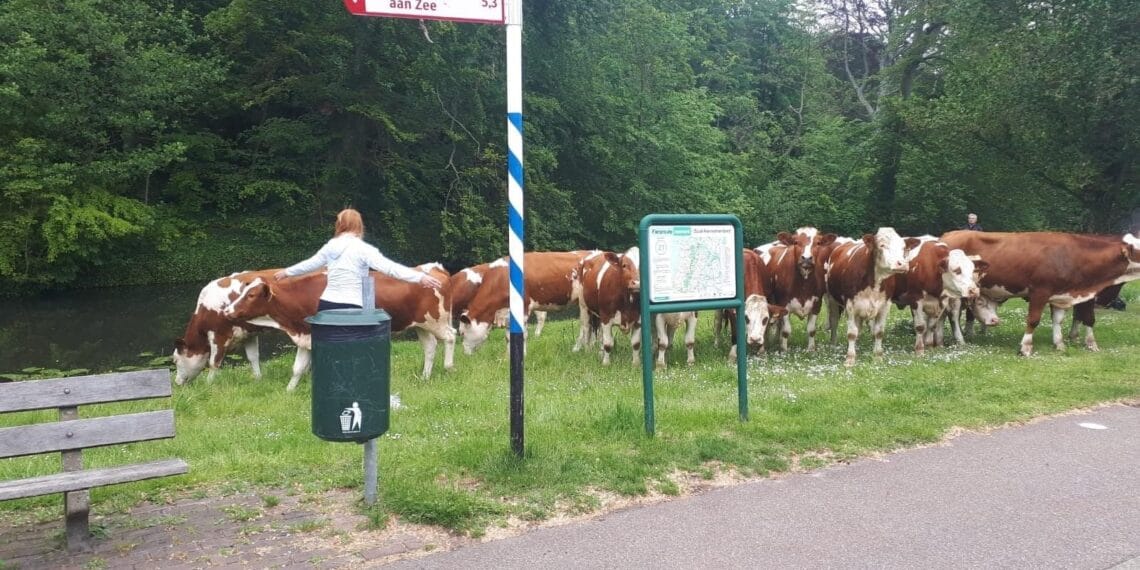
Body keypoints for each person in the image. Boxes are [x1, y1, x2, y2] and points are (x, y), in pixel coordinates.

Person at [274, 208, 442, 310]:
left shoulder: (330, 246)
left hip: (327, 304)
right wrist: (420, 277)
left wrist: (287, 272)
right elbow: (390, 268)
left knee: (330, 351)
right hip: (354, 306)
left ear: (339, 225)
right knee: (354, 351)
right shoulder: (364, 249)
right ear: (359, 226)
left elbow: (310, 264)